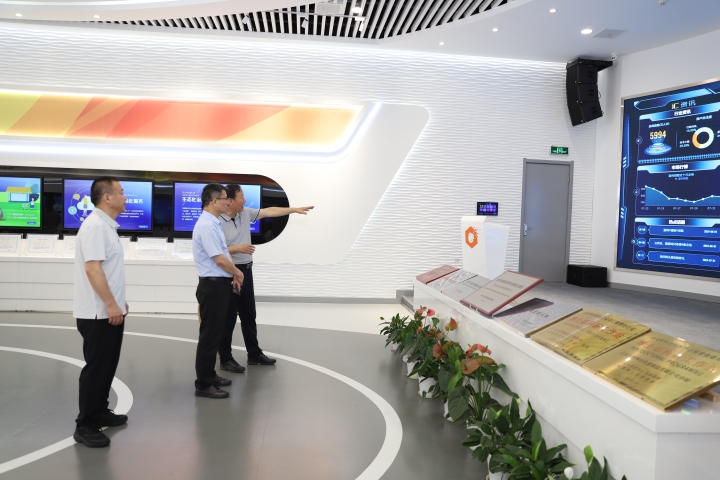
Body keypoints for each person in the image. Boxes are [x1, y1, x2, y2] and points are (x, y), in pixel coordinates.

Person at [218, 184, 313, 372]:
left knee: (249, 314)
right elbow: (216, 251)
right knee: (228, 318)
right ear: (229, 200)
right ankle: (225, 359)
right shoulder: (217, 221)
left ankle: (254, 354)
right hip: (230, 272)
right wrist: (237, 249)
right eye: (241, 196)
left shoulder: (245, 213)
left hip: (246, 271)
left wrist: (293, 209)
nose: (245, 200)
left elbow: (270, 211)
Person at [72, 177, 129, 448]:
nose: (125, 197)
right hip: (97, 313)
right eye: (121, 192)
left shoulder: (106, 226)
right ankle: (85, 424)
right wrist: (110, 303)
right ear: (107, 197)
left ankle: (100, 410)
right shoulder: (95, 226)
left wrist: (117, 302)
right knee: (96, 368)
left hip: (108, 310)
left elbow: (107, 270)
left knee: (107, 365)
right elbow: (93, 269)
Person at [192, 183, 245, 399]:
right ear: (214, 201)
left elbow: (224, 253)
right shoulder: (207, 226)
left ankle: (210, 375)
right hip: (212, 286)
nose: (228, 202)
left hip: (219, 285)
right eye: (225, 198)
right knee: (209, 336)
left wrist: (233, 275)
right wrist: (238, 273)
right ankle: (203, 384)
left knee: (214, 335)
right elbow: (220, 259)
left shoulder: (213, 223)